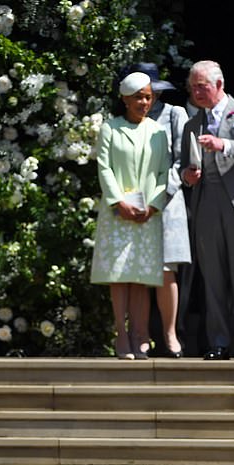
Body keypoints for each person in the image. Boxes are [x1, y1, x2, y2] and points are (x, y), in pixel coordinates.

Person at [180, 60, 234, 361]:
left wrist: (222, 144)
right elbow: (184, 166)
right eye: (193, 88)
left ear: (219, 85)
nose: (196, 92)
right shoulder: (191, 124)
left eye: (201, 87)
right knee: (212, 276)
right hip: (206, 202)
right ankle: (218, 342)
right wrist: (187, 177)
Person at [90, 72, 169, 360]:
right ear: (124, 99)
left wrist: (154, 205)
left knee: (141, 277)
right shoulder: (111, 128)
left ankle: (141, 335)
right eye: (138, 97)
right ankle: (120, 335)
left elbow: (164, 173)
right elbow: (105, 168)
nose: (144, 102)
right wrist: (118, 202)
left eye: (148, 97)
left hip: (147, 214)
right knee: (120, 276)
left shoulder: (158, 131)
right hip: (118, 214)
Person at [122, 62, 189, 358]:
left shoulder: (175, 114)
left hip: (167, 202)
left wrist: (160, 196)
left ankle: (170, 333)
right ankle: (141, 335)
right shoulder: (124, 121)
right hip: (135, 203)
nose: (147, 99)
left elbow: (183, 161)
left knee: (165, 271)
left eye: (150, 93)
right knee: (137, 272)